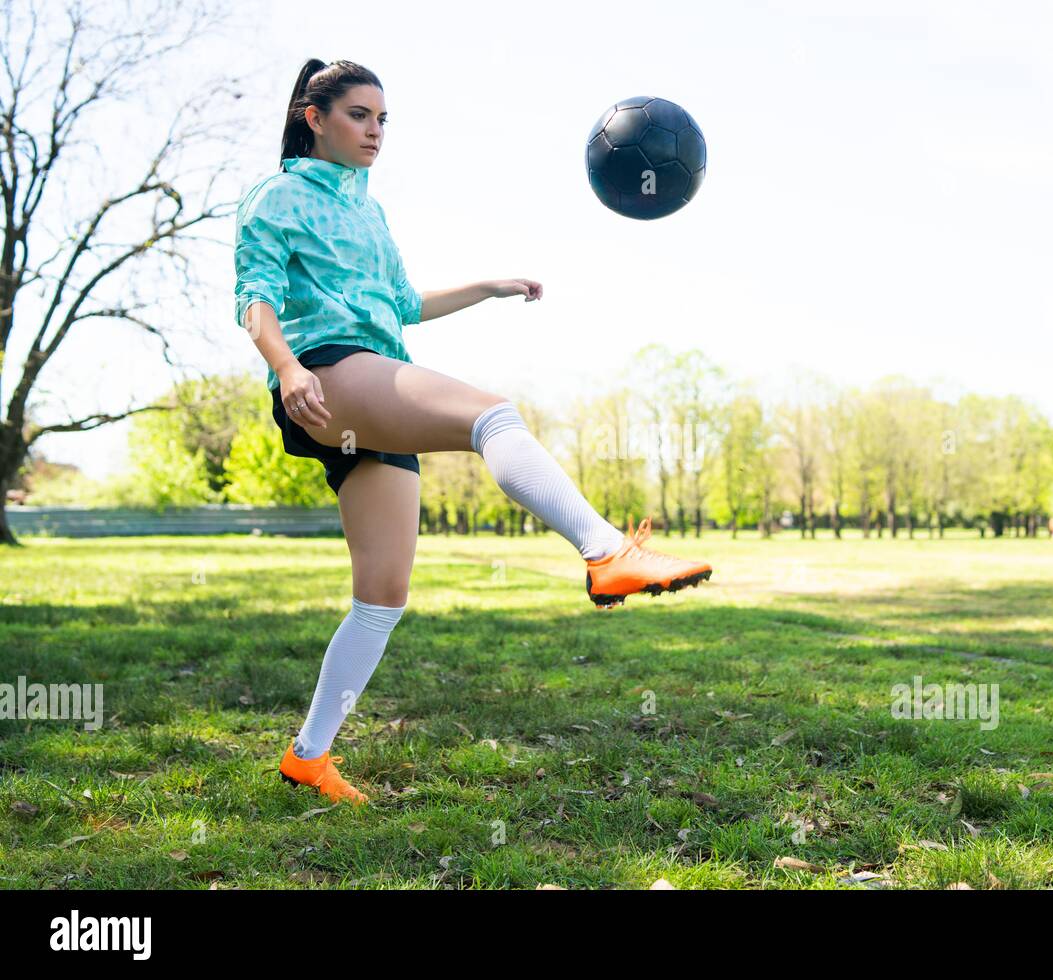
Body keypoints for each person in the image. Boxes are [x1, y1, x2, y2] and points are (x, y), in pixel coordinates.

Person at [236, 60, 713, 805]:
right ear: (314, 117)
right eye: (360, 115)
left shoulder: (368, 209)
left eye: (384, 119)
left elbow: (403, 304)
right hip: (327, 372)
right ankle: (606, 552)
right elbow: (254, 296)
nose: (375, 132)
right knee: (490, 414)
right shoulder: (279, 195)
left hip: (375, 381)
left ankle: (308, 757)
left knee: (382, 598)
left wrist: (487, 287)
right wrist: (288, 368)